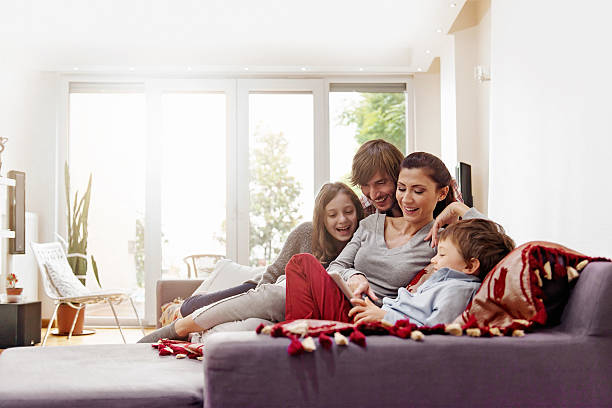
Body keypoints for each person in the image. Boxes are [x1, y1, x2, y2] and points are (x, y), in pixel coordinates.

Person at [138, 182, 364, 342]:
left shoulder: (361, 244)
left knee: (248, 323)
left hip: (287, 302)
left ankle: (193, 333)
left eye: (348, 212)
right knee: (190, 307)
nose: (342, 220)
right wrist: (254, 297)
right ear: (322, 219)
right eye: (332, 215)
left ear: (358, 212)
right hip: (259, 287)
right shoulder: (307, 233)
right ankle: (176, 325)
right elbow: (275, 271)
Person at [284, 151, 486, 321]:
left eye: (418, 191)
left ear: (441, 194)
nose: (406, 199)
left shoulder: (441, 241)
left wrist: (458, 207)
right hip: (345, 300)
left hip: (374, 315)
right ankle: (304, 339)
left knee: (300, 265)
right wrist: (354, 275)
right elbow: (336, 266)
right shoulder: (371, 223)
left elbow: (496, 247)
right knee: (301, 264)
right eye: (401, 188)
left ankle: (301, 342)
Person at [348, 219, 515, 326]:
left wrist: (384, 317)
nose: (433, 260)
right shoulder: (444, 282)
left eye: (442, 254)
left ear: (470, 266)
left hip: (385, 324)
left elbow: (436, 331)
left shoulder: (458, 290)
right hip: (379, 314)